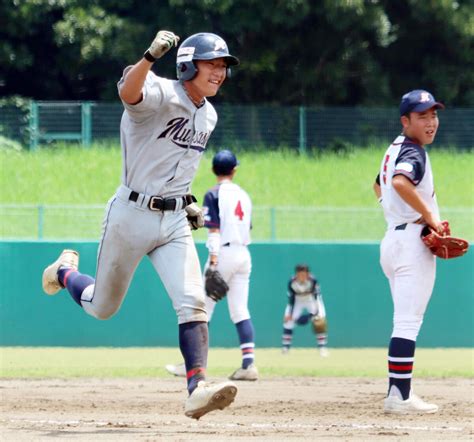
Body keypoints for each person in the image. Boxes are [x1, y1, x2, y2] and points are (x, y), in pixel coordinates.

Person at [41, 30, 241, 420]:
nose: (219, 71)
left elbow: (177, 165)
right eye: (212, 63)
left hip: (172, 222)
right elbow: (127, 92)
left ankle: (197, 388)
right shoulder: (161, 92)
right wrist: (149, 56)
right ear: (187, 65)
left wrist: (188, 202)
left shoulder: (209, 114)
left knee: (193, 302)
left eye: (223, 66)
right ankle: (64, 272)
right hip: (130, 215)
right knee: (102, 308)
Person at [373, 89, 445, 414]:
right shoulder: (414, 152)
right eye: (422, 116)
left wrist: (402, 213)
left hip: (394, 239)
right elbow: (401, 183)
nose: (431, 122)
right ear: (406, 121)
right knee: (406, 322)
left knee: (404, 320)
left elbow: (380, 185)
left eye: (433, 114)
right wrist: (430, 217)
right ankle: (399, 396)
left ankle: (399, 392)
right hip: (410, 244)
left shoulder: (395, 149)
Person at [166, 149, 258, 381]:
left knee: (200, 310)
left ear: (213, 170)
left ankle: (191, 364)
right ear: (234, 170)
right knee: (240, 310)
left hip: (223, 254)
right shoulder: (244, 196)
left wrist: (214, 262)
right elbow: (247, 228)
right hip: (243, 254)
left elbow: (214, 231)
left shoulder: (213, 194)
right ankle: (249, 365)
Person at [281, 264, 328, 356]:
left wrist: (316, 313)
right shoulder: (292, 282)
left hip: (311, 300)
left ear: (308, 274)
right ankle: (285, 348)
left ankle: (322, 348)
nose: (302, 277)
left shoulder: (313, 281)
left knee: (320, 321)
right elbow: (291, 299)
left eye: (304, 274)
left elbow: (316, 297)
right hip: (298, 300)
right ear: (296, 274)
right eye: (299, 274)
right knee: (288, 321)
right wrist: (289, 314)